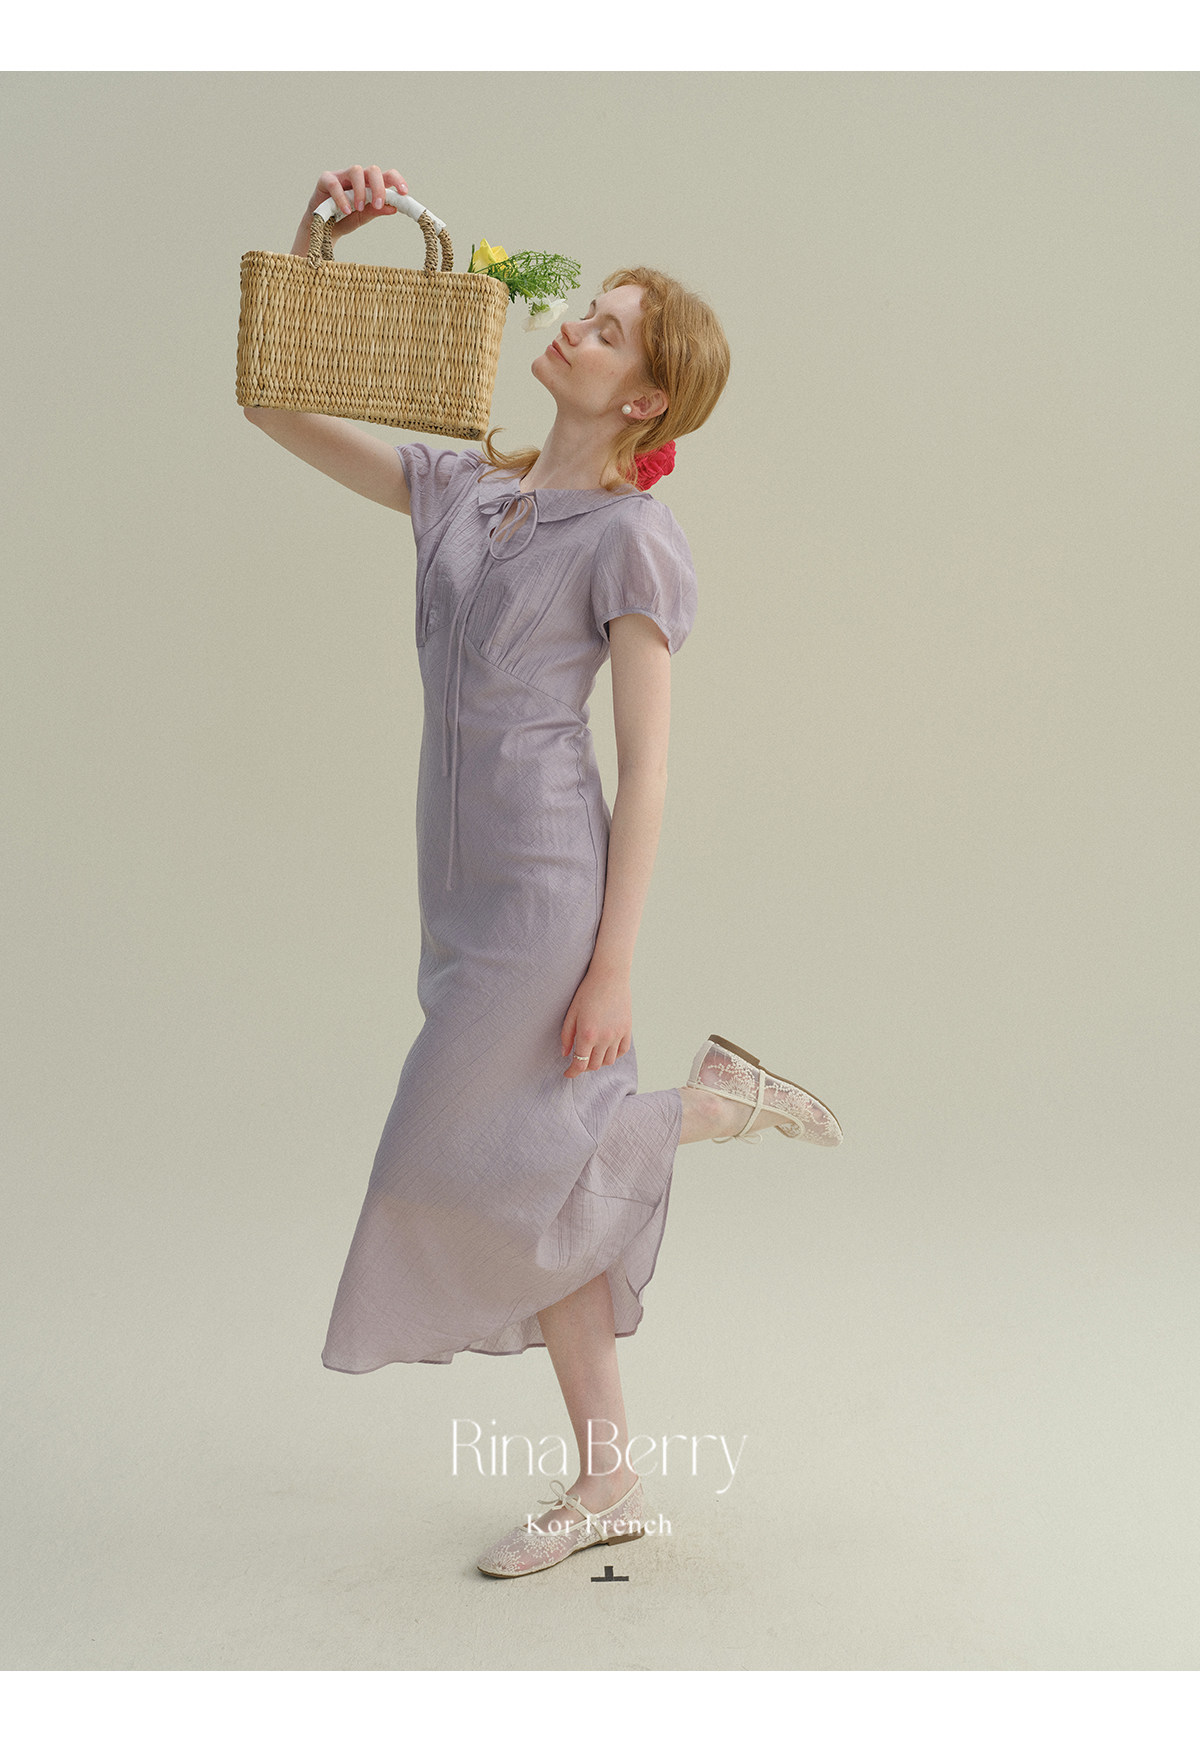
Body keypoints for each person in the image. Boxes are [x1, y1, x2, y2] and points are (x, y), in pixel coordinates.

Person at [244, 163, 843, 1580]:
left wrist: (613, 964)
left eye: (609, 328)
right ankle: (609, 1478)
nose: (573, 324)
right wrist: (321, 242)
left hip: (545, 894)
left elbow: (648, 771)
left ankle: (703, 1108)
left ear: (645, 400)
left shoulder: (632, 540)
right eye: (588, 310)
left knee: (466, 1161)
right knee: (539, 1184)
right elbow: (269, 400)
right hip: (455, 895)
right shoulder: (464, 488)